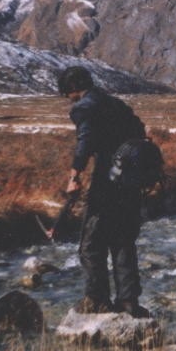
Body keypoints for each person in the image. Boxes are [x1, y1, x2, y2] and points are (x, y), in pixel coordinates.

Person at [56, 65, 151, 317]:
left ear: (73, 89)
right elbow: (140, 132)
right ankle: (129, 302)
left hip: (106, 183)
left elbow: (85, 141)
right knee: (123, 241)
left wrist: (75, 175)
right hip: (131, 184)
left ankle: (97, 300)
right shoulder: (117, 105)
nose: (67, 98)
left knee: (91, 244)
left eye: (67, 93)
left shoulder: (84, 107)